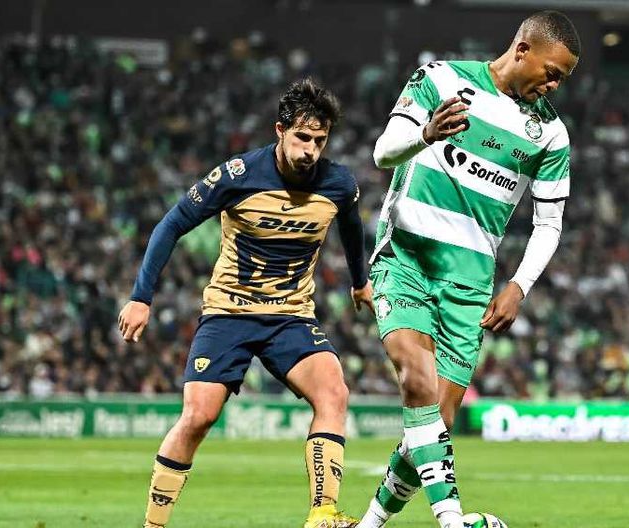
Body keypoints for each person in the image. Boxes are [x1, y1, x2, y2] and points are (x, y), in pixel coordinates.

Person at [357, 10, 581, 528]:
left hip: (470, 284)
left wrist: (519, 285)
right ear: (522, 49)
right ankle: (454, 521)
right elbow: (383, 154)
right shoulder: (441, 79)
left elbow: (549, 224)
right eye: (551, 72)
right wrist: (427, 134)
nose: (554, 85)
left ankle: (369, 524)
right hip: (405, 259)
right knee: (416, 379)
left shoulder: (550, 133)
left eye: (562, 79)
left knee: (435, 422)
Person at [118, 78, 372, 528]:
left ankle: (323, 514)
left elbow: (352, 230)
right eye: (302, 138)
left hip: (290, 317)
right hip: (229, 314)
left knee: (334, 393)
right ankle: (153, 525)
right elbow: (170, 225)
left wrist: (360, 282)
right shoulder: (238, 176)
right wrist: (141, 297)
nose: (311, 150)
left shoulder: (338, 184)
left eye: (320, 141)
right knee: (198, 417)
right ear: (280, 130)